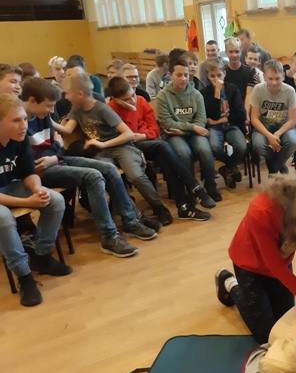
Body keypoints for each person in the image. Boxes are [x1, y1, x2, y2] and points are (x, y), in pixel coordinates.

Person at [22, 77, 155, 257]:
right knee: (93, 176)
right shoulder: (20, 122)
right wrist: (54, 154)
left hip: (56, 160)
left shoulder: (43, 116)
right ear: (32, 101)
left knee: (109, 169)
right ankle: (109, 237)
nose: (52, 111)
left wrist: (54, 155)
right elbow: (25, 159)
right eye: (48, 106)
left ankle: (130, 222)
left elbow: (57, 145)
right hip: (40, 172)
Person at [215, 178, 296, 344]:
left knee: (285, 319)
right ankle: (229, 282)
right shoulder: (261, 209)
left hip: (280, 264)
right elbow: (274, 265)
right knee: (265, 335)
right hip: (249, 264)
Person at [60, 73, 172, 224]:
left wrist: (103, 144)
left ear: (79, 94)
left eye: (68, 93)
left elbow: (128, 134)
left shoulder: (102, 109)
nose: (66, 97)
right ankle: (136, 215)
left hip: (122, 147)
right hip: (103, 154)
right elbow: (67, 130)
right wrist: (46, 120)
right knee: (112, 178)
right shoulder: (76, 111)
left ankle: (159, 208)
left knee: (136, 176)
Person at [107, 76, 215, 222]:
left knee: (165, 161)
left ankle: (183, 207)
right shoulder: (110, 110)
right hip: (127, 148)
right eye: (126, 99)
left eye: (133, 95)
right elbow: (126, 136)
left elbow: (154, 129)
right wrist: (133, 118)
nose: (132, 100)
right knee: (163, 146)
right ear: (115, 99)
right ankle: (195, 188)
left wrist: (143, 134)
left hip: (146, 142)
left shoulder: (141, 100)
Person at [0, 94, 72, 307]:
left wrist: (37, 190)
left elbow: (28, 172)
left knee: (55, 200)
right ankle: (24, 277)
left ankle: (41, 256)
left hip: (11, 185)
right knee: (4, 220)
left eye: (24, 118)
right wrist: (28, 202)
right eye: (16, 120)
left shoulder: (20, 138)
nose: (24, 125)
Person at [156, 58, 221, 202]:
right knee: (184, 153)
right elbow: (166, 123)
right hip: (173, 134)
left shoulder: (196, 94)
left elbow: (201, 120)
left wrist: (185, 130)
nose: (183, 78)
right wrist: (192, 127)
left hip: (188, 132)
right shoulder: (163, 96)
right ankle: (192, 189)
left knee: (205, 150)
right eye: (179, 75)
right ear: (170, 75)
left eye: (186, 75)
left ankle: (211, 187)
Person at [200, 58, 246, 189]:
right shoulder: (204, 93)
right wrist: (217, 94)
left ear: (224, 74)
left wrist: (219, 120)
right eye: (212, 76)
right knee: (214, 147)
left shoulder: (233, 89)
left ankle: (227, 168)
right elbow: (210, 116)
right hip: (215, 128)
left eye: (219, 75)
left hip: (232, 125)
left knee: (241, 147)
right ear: (208, 76)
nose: (216, 79)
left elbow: (241, 115)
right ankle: (232, 167)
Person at [250, 60, 296, 177]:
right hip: (264, 125)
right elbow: (254, 119)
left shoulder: (290, 91)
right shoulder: (257, 89)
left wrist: (277, 134)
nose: (274, 82)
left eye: (277, 78)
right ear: (264, 77)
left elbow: (292, 121)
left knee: (293, 142)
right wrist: (269, 136)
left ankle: (273, 169)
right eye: (270, 78)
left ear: (283, 76)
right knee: (258, 144)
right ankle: (280, 165)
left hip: (284, 125)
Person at [223, 37, 258, 121]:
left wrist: (245, 114)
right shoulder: (222, 71)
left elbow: (249, 94)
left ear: (241, 52)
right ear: (226, 53)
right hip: (228, 109)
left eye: (237, 51)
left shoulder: (250, 71)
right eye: (231, 52)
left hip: (244, 107)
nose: (234, 55)